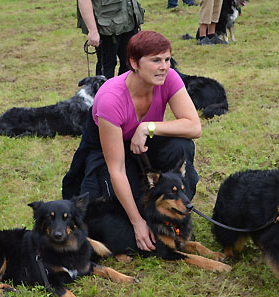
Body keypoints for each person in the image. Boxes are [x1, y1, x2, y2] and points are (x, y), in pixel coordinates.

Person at [62, 31, 201, 253]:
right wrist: (137, 223)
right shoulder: (111, 98)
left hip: (143, 145)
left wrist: (147, 127)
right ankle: (146, 221)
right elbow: (116, 169)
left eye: (166, 59)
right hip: (107, 154)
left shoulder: (169, 78)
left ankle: (176, 214)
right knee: (115, 211)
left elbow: (194, 127)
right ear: (134, 63)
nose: (163, 66)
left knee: (181, 146)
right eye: (155, 60)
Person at [77, 0, 145, 79]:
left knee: (130, 64)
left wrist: (136, 14)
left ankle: (126, 91)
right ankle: (105, 91)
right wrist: (93, 31)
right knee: (107, 68)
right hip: (106, 28)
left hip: (129, 23)